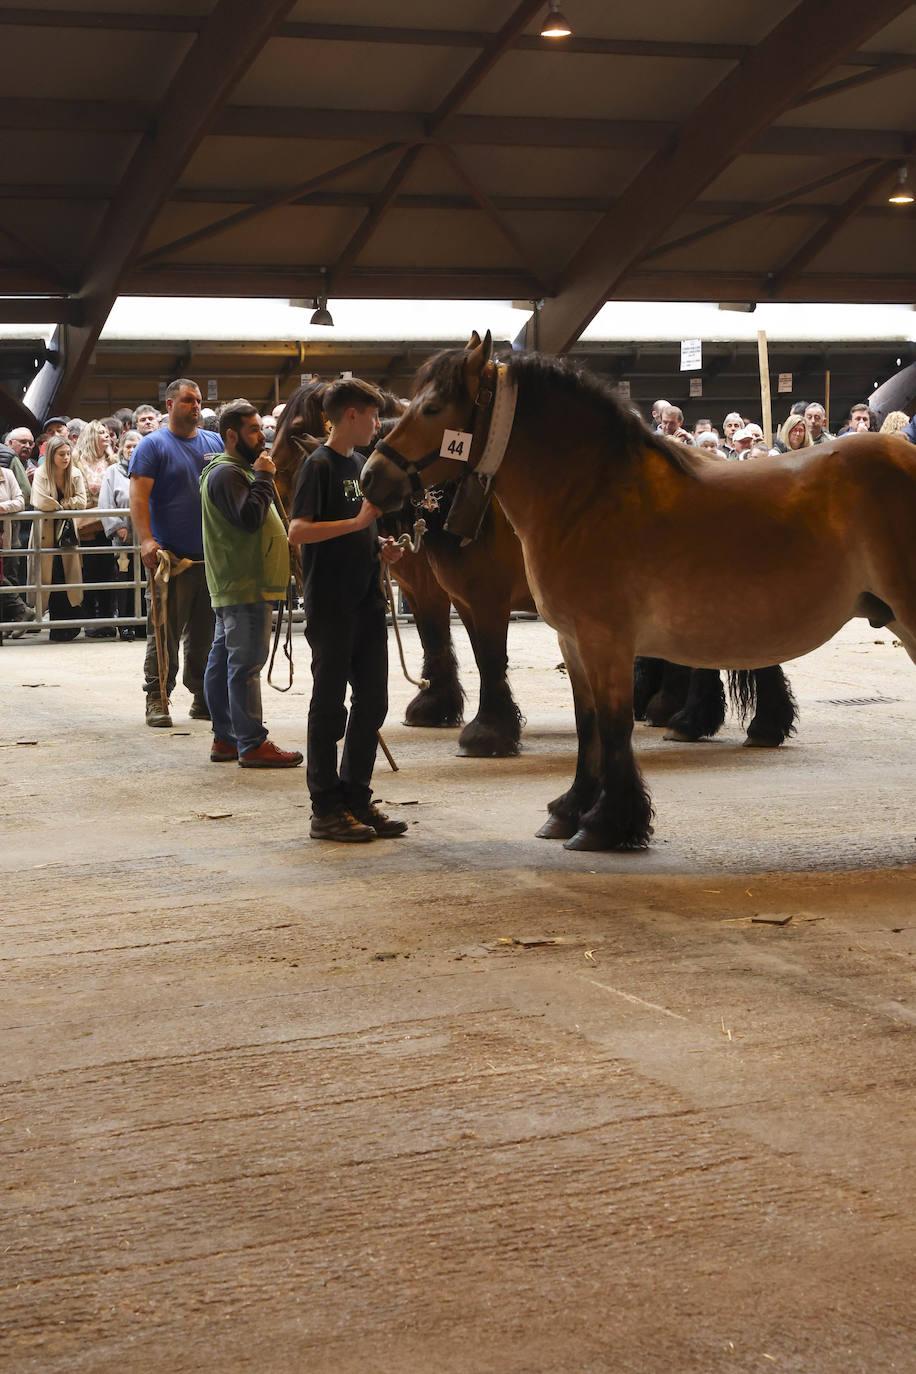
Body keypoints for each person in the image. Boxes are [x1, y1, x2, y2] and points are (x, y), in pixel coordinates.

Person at [288, 377, 408, 842]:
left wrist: (378, 543)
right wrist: (358, 522)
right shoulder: (316, 466)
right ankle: (326, 808)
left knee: (373, 701)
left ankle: (357, 796)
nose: (377, 424)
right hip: (333, 603)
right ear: (351, 415)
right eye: (373, 415)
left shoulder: (361, 465)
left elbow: (352, 529)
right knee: (329, 706)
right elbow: (298, 531)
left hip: (366, 599)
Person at [200, 399, 302, 768]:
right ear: (231, 435)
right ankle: (252, 742)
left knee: (226, 659)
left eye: (261, 428)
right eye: (253, 430)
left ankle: (227, 738)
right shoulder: (229, 474)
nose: (262, 436)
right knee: (245, 665)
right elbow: (250, 518)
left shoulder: (231, 471)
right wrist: (264, 477)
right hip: (245, 583)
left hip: (238, 582)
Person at [129, 377, 221, 728]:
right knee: (163, 632)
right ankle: (158, 695)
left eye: (197, 401)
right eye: (187, 401)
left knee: (206, 635)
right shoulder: (152, 446)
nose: (195, 406)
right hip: (171, 558)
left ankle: (202, 696)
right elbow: (138, 498)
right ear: (169, 405)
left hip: (209, 559)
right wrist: (146, 539)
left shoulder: (213, 442)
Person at [29, 435, 86, 641]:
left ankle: (71, 625)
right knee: (49, 577)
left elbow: (82, 501)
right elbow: (40, 500)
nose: (66, 458)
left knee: (67, 576)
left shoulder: (76, 473)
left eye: (69, 454)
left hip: (67, 533)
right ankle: (55, 627)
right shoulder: (41, 474)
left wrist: (60, 505)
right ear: (52, 455)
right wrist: (65, 505)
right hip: (45, 534)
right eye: (61, 454)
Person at [72, 419, 118, 637]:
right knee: (89, 574)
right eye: (101, 432)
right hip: (86, 528)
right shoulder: (76, 462)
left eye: (107, 432)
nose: (107, 435)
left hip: (109, 526)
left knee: (109, 574)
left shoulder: (113, 460)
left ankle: (108, 619)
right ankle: (90, 621)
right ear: (91, 436)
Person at [99, 428, 142, 639]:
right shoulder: (113, 472)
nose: (132, 450)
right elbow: (105, 502)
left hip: (146, 537)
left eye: (136, 446)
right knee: (125, 580)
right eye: (128, 446)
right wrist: (117, 526)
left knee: (145, 579)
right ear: (121, 449)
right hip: (124, 538)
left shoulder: (150, 469)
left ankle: (144, 623)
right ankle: (125, 624)